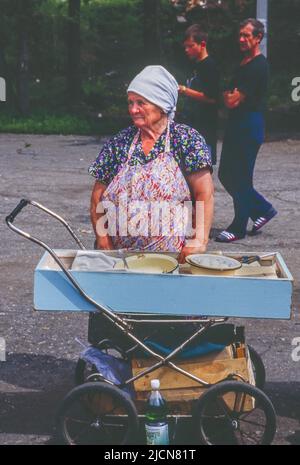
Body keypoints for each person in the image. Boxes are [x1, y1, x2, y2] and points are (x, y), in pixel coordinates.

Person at [89, 65, 214, 264]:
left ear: (162, 104)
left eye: (141, 102)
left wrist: (199, 239)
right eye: (130, 102)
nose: (133, 109)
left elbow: (204, 194)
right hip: (120, 259)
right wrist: (102, 239)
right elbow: (97, 197)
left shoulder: (185, 139)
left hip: (172, 259)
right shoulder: (120, 142)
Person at [216, 18, 277, 243]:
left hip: (249, 125)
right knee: (225, 174)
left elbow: (231, 100)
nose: (241, 39)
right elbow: (230, 97)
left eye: (246, 35)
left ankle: (238, 227)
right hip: (237, 123)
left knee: (240, 177)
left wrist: (227, 95)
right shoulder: (243, 62)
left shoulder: (259, 65)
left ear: (258, 38)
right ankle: (262, 209)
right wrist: (228, 95)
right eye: (240, 35)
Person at [178, 24, 219, 165]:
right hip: (193, 124)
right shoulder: (197, 64)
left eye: (190, 46)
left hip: (205, 126)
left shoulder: (210, 66)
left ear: (202, 44)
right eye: (185, 47)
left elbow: (212, 98)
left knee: (202, 167)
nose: (186, 50)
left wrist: (184, 90)